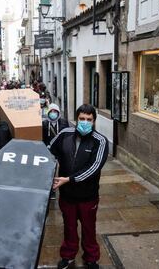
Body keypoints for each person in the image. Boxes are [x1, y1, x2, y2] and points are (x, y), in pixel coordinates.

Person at [49, 104, 108, 269]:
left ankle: (91, 258)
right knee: (69, 228)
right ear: (76, 119)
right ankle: (68, 256)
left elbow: (94, 167)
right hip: (67, 195)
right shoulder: (64, 134)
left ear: (94, 121)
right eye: (82, 119)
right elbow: (49, 151)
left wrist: (69, 179)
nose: (85, 122)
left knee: (89, 229)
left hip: (88, 197)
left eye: (89, 120)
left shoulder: (100, 141)